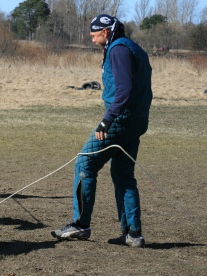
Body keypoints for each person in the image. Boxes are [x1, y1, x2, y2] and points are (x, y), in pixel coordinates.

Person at [51, 14, 152, 248]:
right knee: (123, 175)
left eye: (95, 36)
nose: (94, 40)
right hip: (137, 119)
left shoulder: (118, 50)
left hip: (120, 119)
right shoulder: (135, 49)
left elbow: (125, 89)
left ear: (106, 32)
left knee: (85, 163)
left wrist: (107, 119)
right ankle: (133, 233)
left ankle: (80, 224)